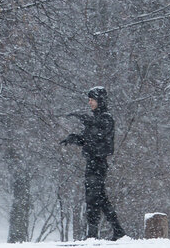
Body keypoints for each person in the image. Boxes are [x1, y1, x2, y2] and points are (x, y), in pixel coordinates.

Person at [60, 86, 126, 241]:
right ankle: (118, 231)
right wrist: (73, 138)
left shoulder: (106, 118)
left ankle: (92, 234)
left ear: (100, 100)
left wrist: (84, 119)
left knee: (92, 199)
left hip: (98, 164)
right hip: (91, 163)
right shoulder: (96, 119)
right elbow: (87, 138)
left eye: (92, 99)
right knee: (100, 198)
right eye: (89, 100)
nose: (89, 102)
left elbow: (98, 134)